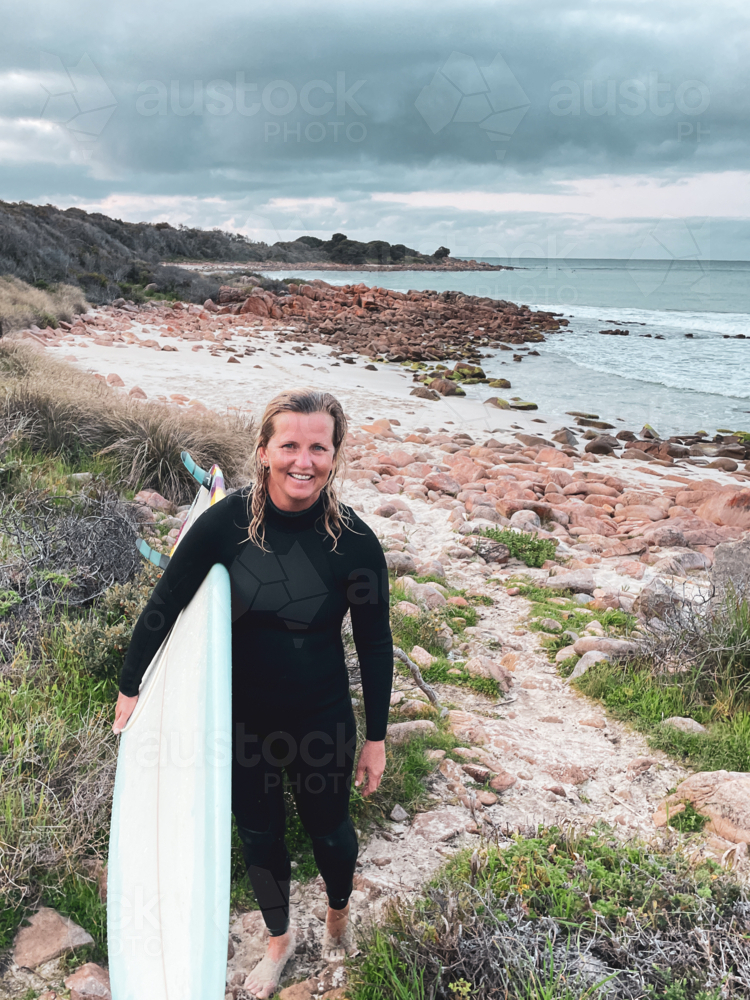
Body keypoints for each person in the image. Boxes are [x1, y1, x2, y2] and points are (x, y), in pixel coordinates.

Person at [112, 388, 393, 999]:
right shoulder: (225, 522)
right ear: (264, 451)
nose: (304, 460)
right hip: (242, 723)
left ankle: (338, 914)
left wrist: (376, 739)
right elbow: (167, 600)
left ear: (335, 455)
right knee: (260, 838)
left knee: (332, 832)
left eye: (319, 446)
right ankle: (279, 939)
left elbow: (374, 645)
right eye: (289, 444)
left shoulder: (356, 542)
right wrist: (130, 686)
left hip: (321, 717)